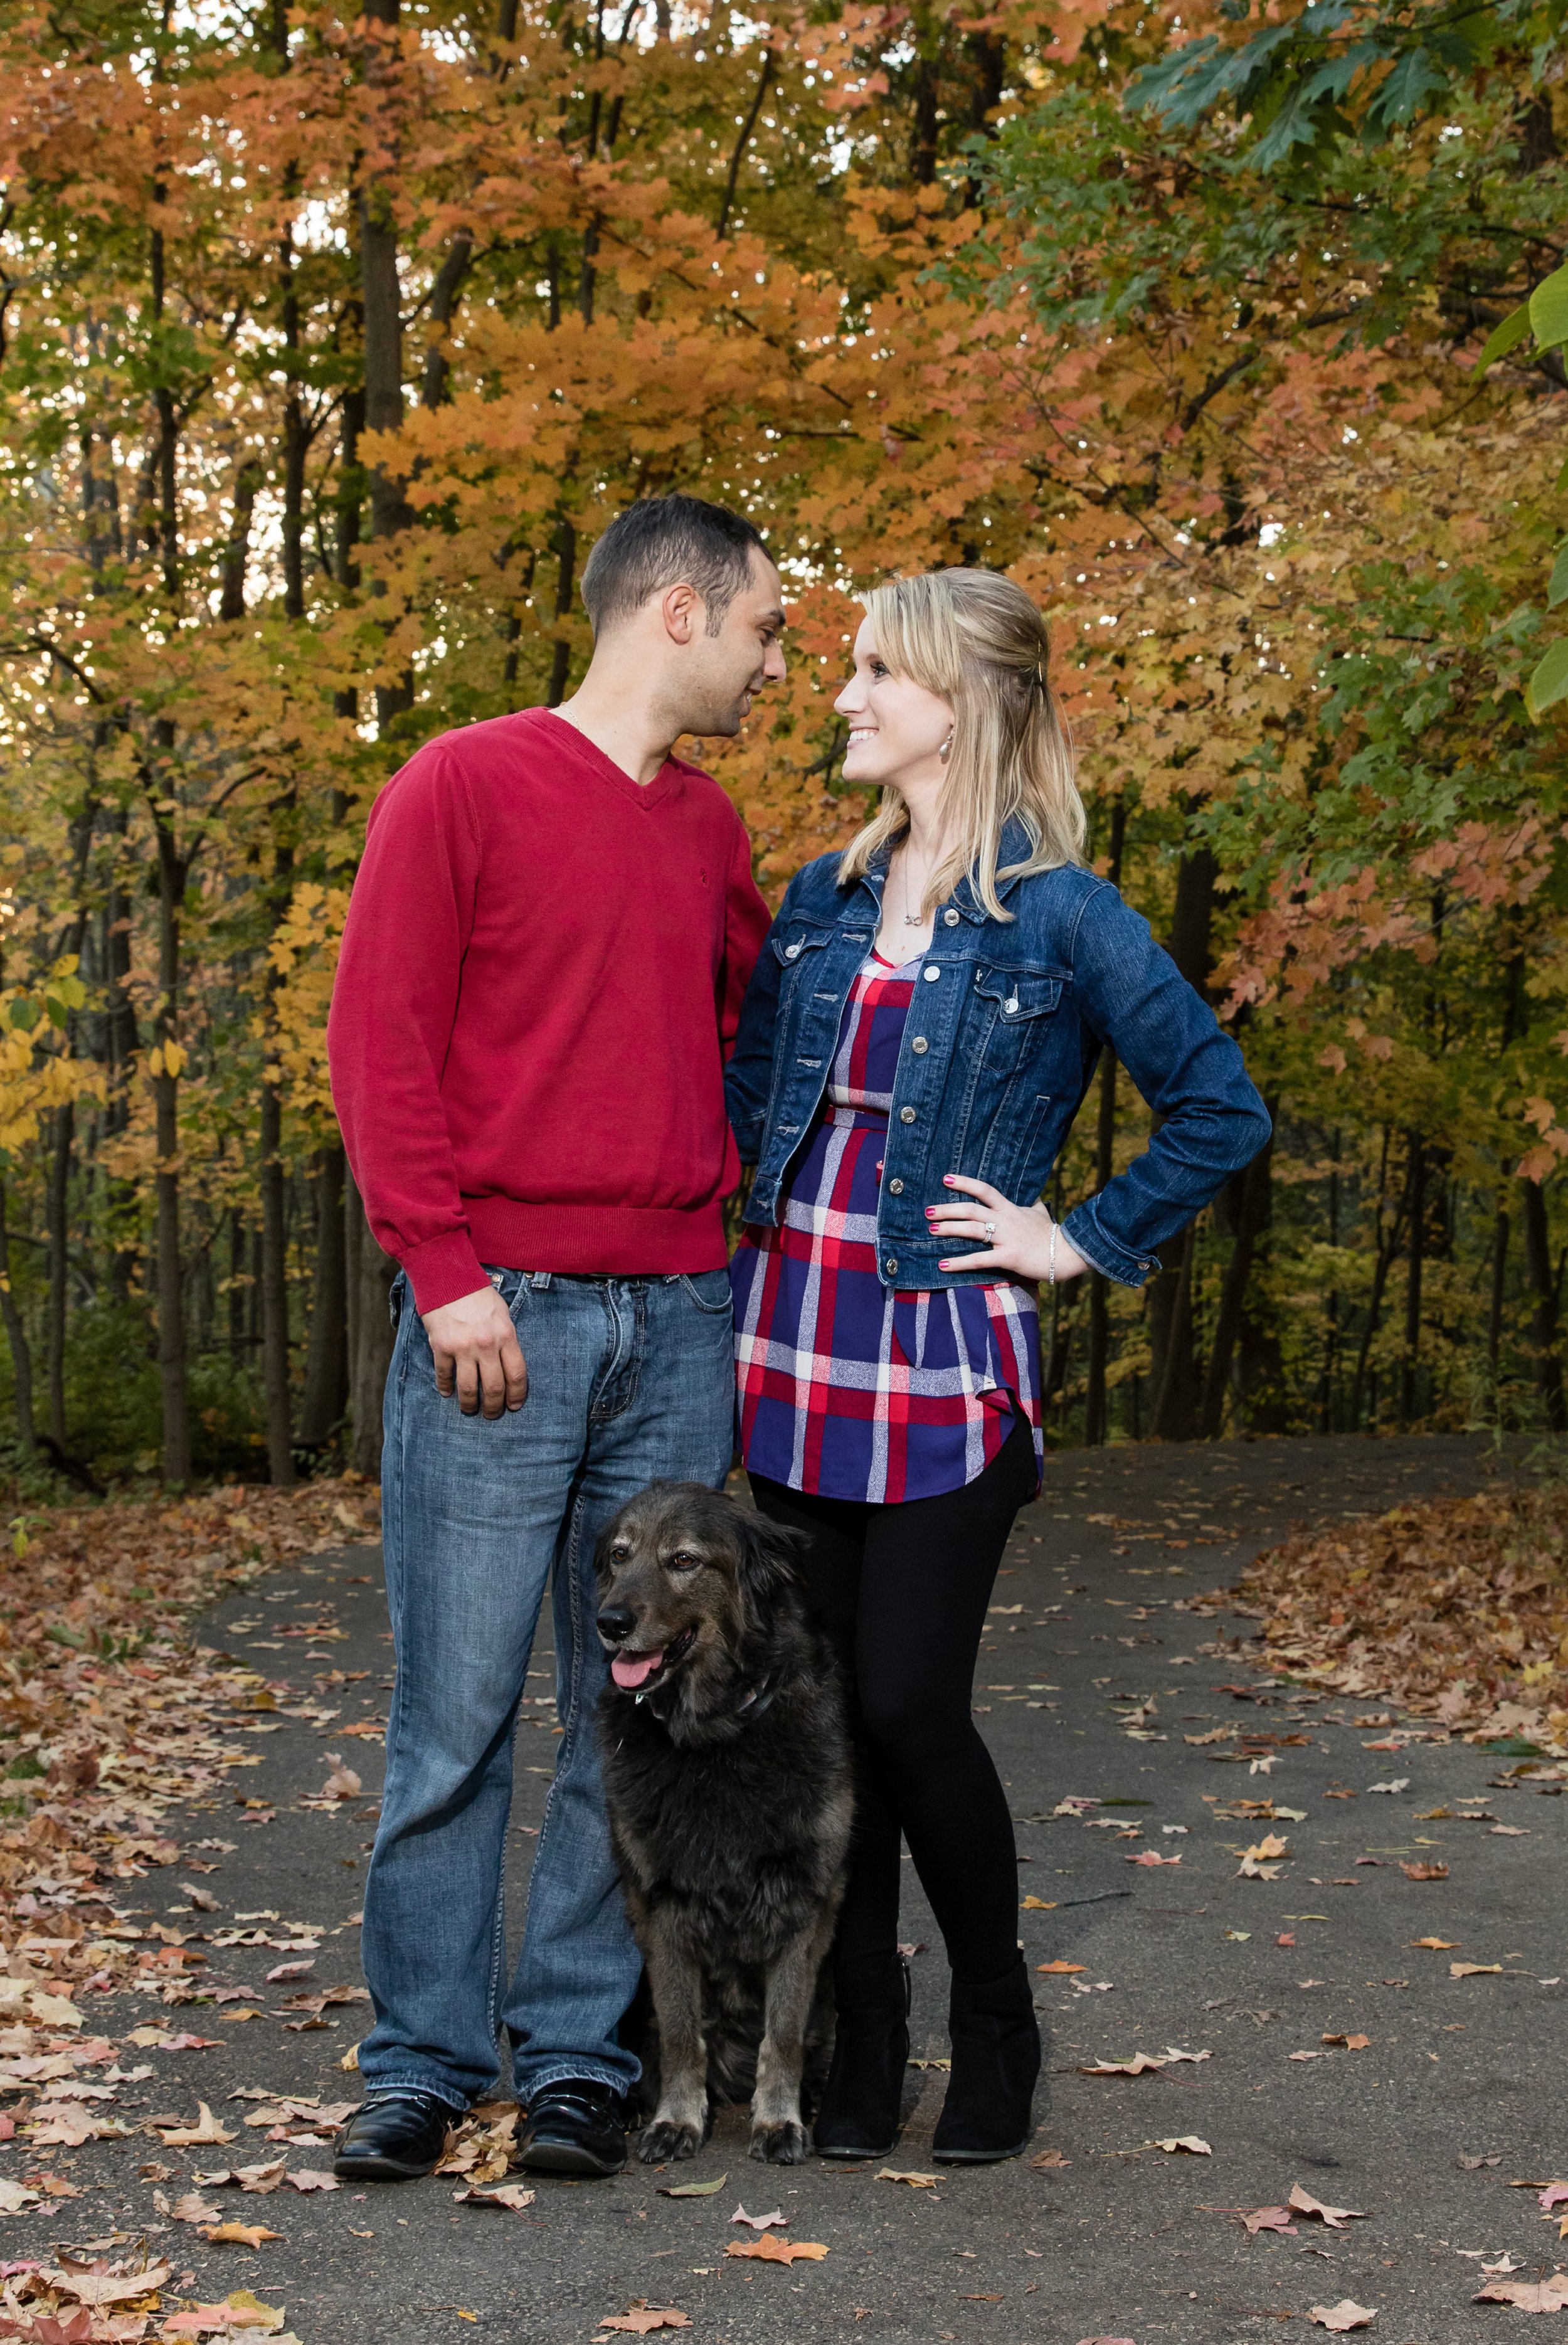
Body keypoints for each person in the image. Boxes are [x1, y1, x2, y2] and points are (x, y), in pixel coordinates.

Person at [725, 568, 1270, 2164]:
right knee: (832, 1717)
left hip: (941, 1359)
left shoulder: (1062, 912)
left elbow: (1220, 1108)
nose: (841, 698)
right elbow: (753, 1095)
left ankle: (994, 2015)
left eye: (873, 676)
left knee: (908, 1704)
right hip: (791, 1345)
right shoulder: (823, 898)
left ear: (962, 703)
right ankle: (865, 2030)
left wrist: (1076, 1240)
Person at [326, 495, 781, 2184]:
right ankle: (425, 2056)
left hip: (676, 1315)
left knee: (637, 1708)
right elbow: (379, 1040)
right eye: (766, 626)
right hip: (497, 1316)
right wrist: (444, 1270)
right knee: (451, 1712)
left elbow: (750, 1032)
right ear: (678, 611)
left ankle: (582, 2049)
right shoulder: (461, 781)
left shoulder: (710, 830)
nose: (774, 658)